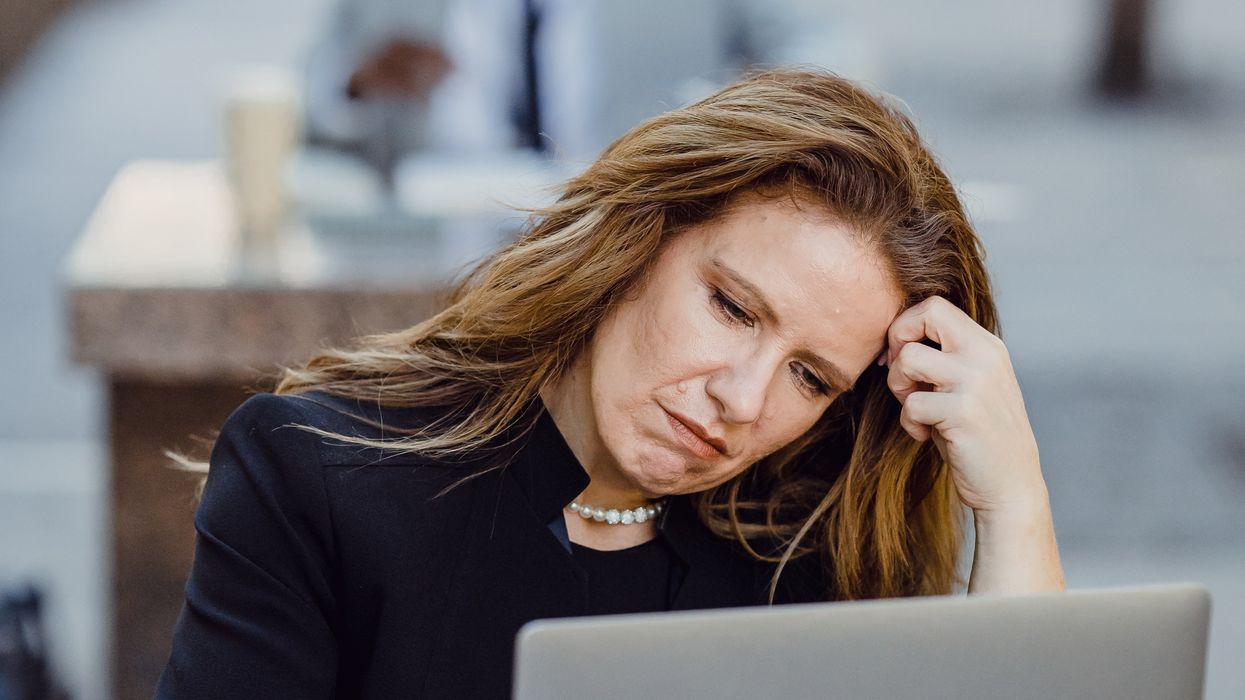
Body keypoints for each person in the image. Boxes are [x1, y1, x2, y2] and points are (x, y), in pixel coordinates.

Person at [156, 68, 1065, 699]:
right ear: (636, 240)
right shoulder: (320, 476)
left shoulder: (808, 560)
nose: (742, 399)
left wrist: (1015, 502)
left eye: (809, 376)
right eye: (733, 308)